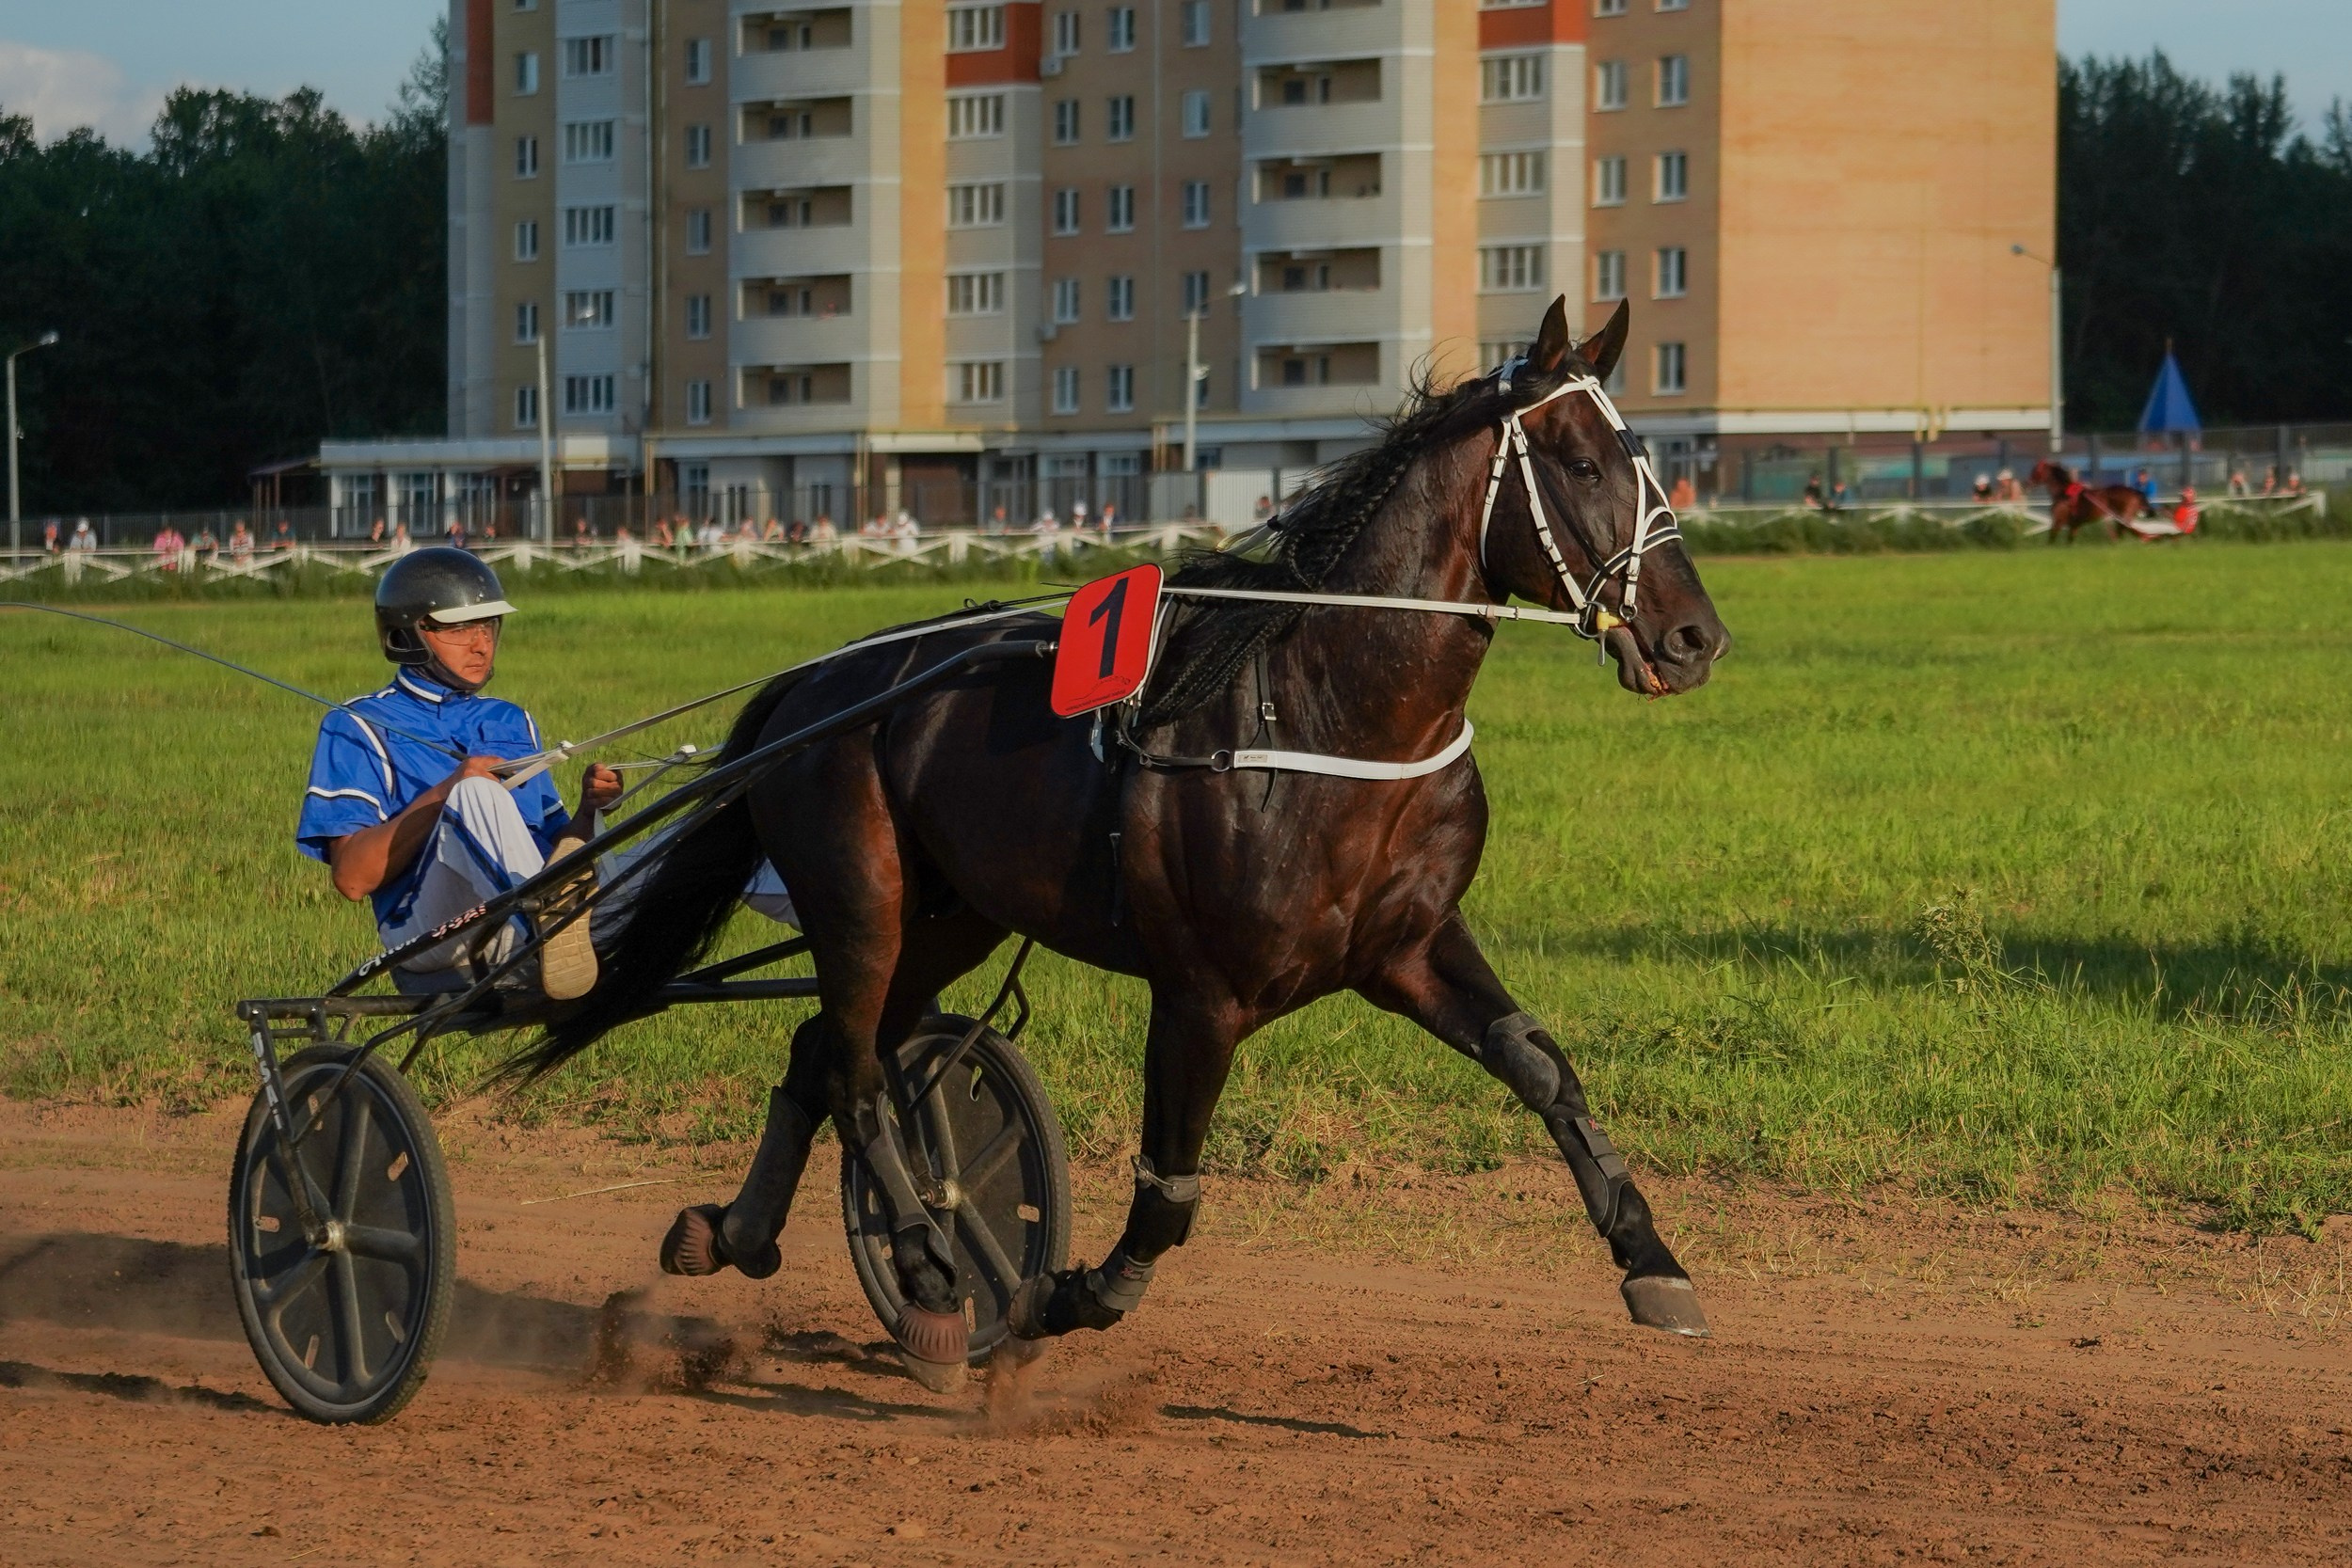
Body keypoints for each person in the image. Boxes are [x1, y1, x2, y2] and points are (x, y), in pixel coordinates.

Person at [295, 548, 622, 995]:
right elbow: (352, 879)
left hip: (524, 910)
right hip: (427, 931)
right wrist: (450, 789)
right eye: (459, 628)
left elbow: (553, 853)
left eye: (488, 625)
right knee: (475, 794)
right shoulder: (356, 725)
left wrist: (588, 811)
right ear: (408, 634)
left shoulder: (512, 720)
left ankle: (593, 929)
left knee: (693, 827)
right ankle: (550, 928)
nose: (481, 644)